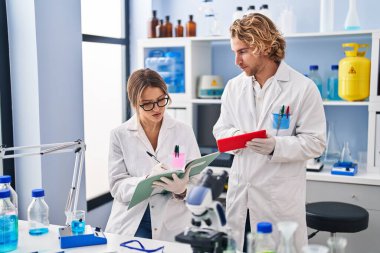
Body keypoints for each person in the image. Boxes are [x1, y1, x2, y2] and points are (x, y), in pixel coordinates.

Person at [213, 13, 326, 251]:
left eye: (242, 51)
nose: (236, 60)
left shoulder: (302, 88)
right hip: (241, 199)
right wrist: (235, 136)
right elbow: (221, 129)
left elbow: (316, 142)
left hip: (277, 203)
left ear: (263, 46)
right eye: (234, 51)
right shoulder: (234, 87)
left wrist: (276, 146)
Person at [105, 68, 201, 241]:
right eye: (148, 103)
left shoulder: (183, 131)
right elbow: (117, 186)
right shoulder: (120, 135)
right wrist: (146, 180)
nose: (157, 108)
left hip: (172, 222)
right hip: (132, 221)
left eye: (161, 100)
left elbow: (198, 180)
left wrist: (183, 190)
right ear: (135, 103)